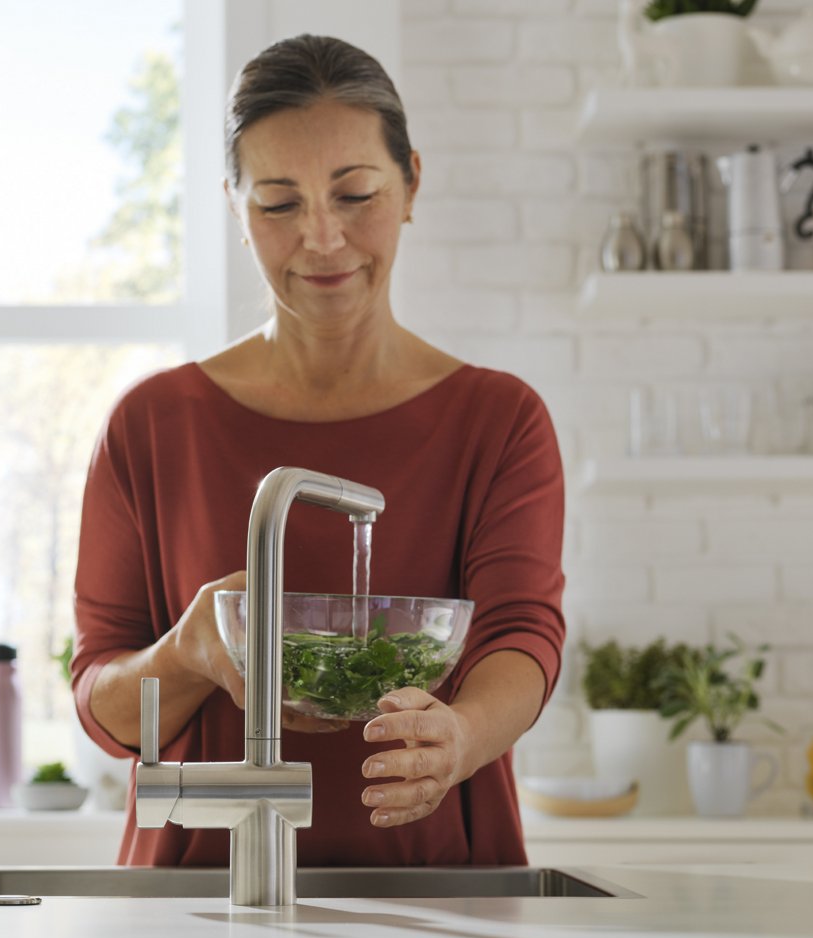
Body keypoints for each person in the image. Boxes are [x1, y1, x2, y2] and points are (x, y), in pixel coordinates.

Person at [72, 34, 564, 867]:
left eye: (355, 192)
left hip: (441, 890)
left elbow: (522, 635)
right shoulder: (152, 425)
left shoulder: (499, 419)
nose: (324, 238)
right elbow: (106, 708)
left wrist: (462, 735)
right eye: (277, 202)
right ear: (234, 207)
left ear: (410, 181)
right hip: (197, 895)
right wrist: (187, 652)